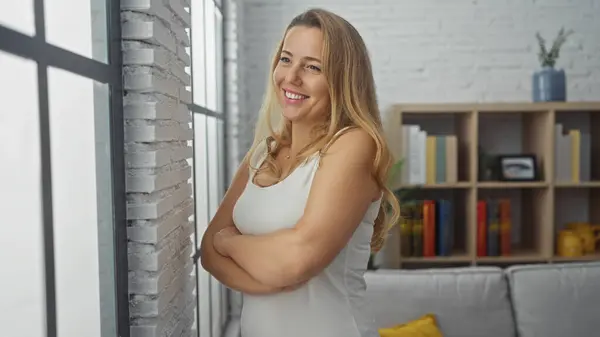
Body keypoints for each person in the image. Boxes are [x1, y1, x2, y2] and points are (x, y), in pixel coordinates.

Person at [199, 7, 400, 337]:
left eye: (312, 67)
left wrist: (230, 241)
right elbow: (208, 251)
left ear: (341, 79)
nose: (291, 77)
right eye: (286, 59)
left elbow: (297, 259)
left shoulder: (354, 144)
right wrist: (270, 279)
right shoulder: (263, 152)